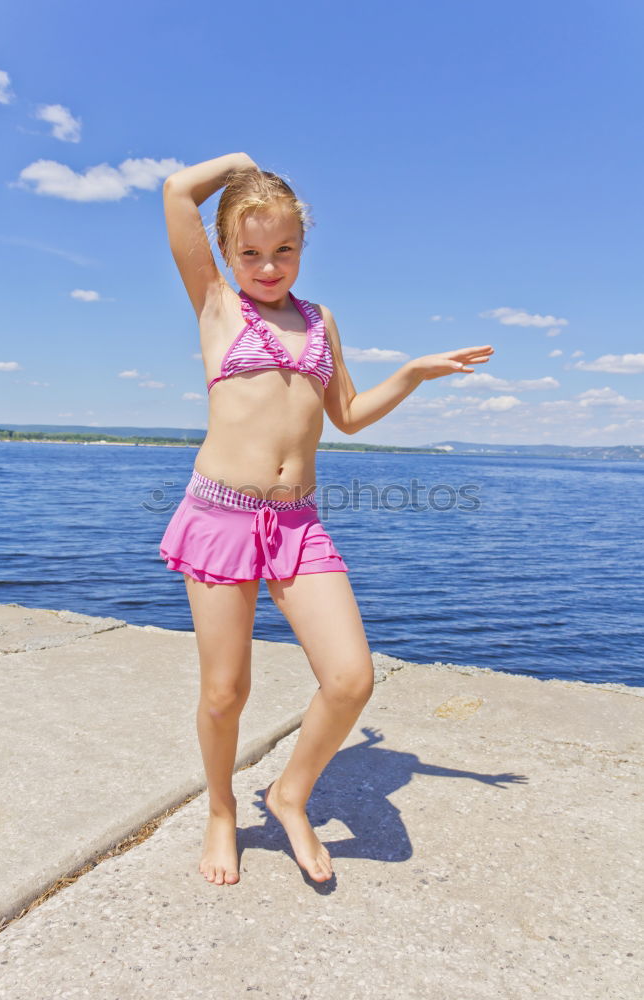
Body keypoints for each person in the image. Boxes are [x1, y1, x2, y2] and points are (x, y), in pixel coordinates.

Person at [158, 152, 495, 886]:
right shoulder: (218, 304)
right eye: (250, 252)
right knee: (225, 692)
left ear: (303, 248)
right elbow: (178, 190)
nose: (268, 266)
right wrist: (245, 164)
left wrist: (409, 374)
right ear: (225, 252)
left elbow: (345, 416)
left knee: (349, 679)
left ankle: (289, 794)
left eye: (284, 250)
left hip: (297, 525)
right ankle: (222, 811)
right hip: (220, 515)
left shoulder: (319, 321)